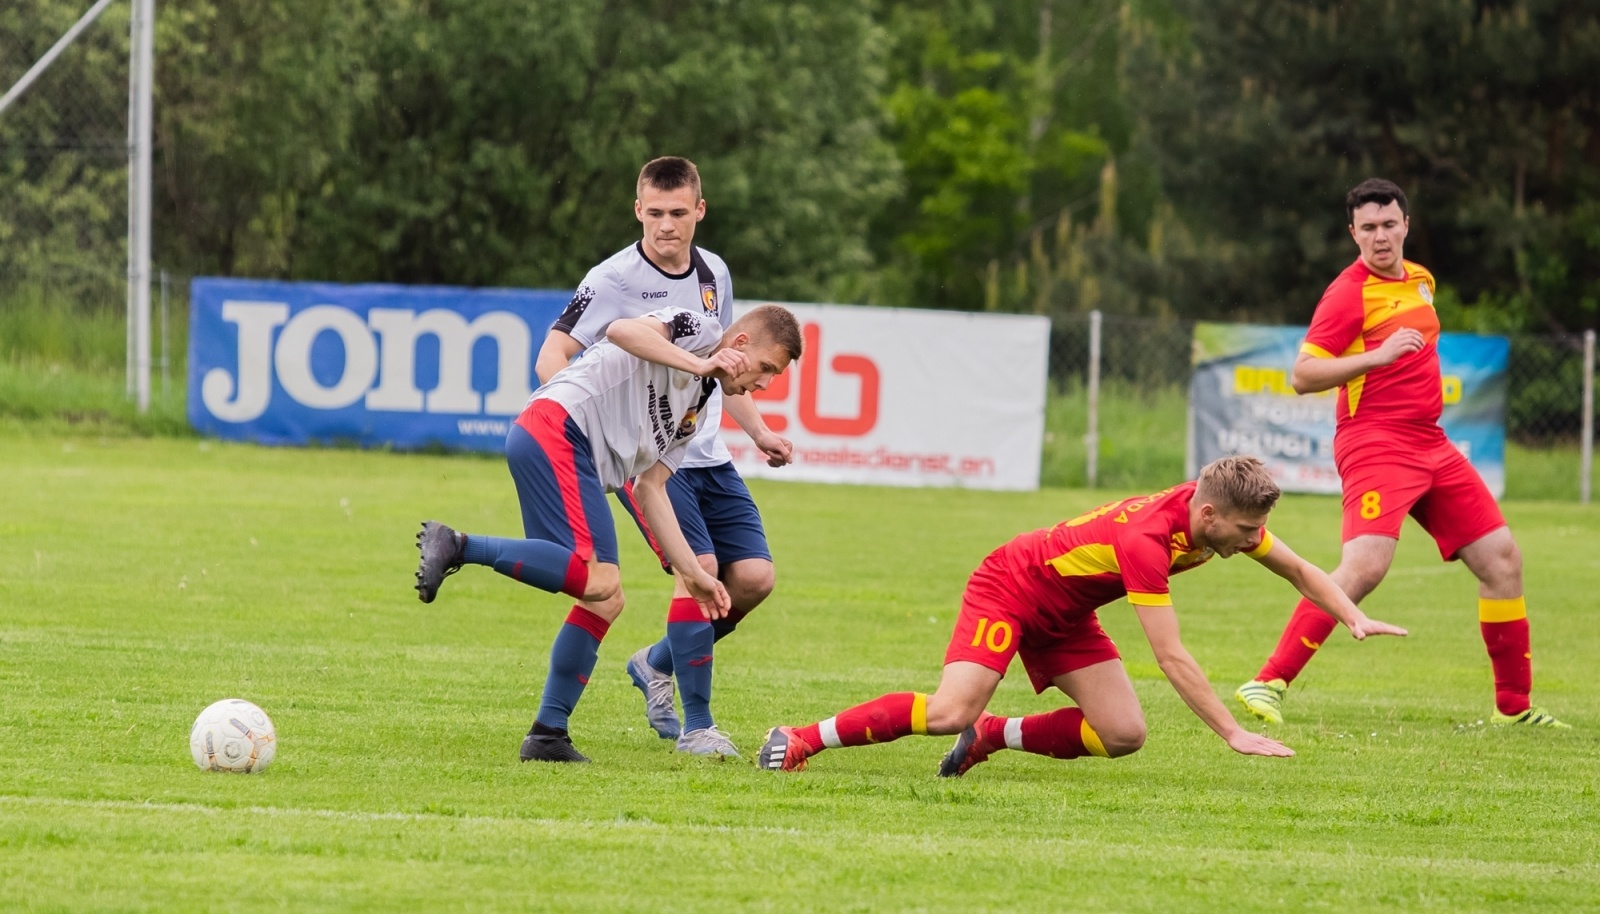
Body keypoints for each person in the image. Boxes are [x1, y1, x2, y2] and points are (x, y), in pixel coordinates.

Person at [757, 456, 1406, 775]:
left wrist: (1350, 613)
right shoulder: (1148, 540)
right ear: (1208, 516)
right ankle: (801, 739)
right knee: (951, 708)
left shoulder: (1218, 520)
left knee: (1123, 733)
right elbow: (1171, 656)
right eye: (1244, 530)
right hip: (1011, 586)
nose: (1251, 540)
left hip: (1067, 612)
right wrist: (1232, 732)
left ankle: (993, 737)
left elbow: (1297, 568)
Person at [1233, 179, 1569, 729]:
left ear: (1406, 225)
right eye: (1368, 228)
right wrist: (1377, 357)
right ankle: (1268, 680)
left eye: (1389, 224)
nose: (1380, 236)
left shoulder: (1421, 280)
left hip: (1430, 442)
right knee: (1365, 566)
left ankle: (1514, 708)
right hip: (1374, 442)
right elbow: (1302, 375)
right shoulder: (1348, 293)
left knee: (1502, 559)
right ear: (1353, 233)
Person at [416, 303, 803, 763]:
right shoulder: (700, 329)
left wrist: (692, 573)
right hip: (559, 430)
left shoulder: (695, 410)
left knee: (604, 596)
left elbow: (650, 490)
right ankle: (459, 544)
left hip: (564, 447)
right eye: (765, 369)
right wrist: (701, 361)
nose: (763, 384)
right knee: (598, 578)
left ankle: (547, 735)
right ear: (739, 345)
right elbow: (620, 330)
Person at [535, 155, 793, 756]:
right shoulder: (610, 279)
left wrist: (757, 432)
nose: (666, 226)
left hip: (704, 453)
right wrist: (575, 430)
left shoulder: (715, 274)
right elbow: (553, 355)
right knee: (695, 568)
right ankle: (700, 728)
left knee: (754, 579)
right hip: (645, 459)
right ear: (637, 211)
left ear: (699, 211)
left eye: (678, 213)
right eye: (654, 213)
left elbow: (724, 365)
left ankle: (656, 664)